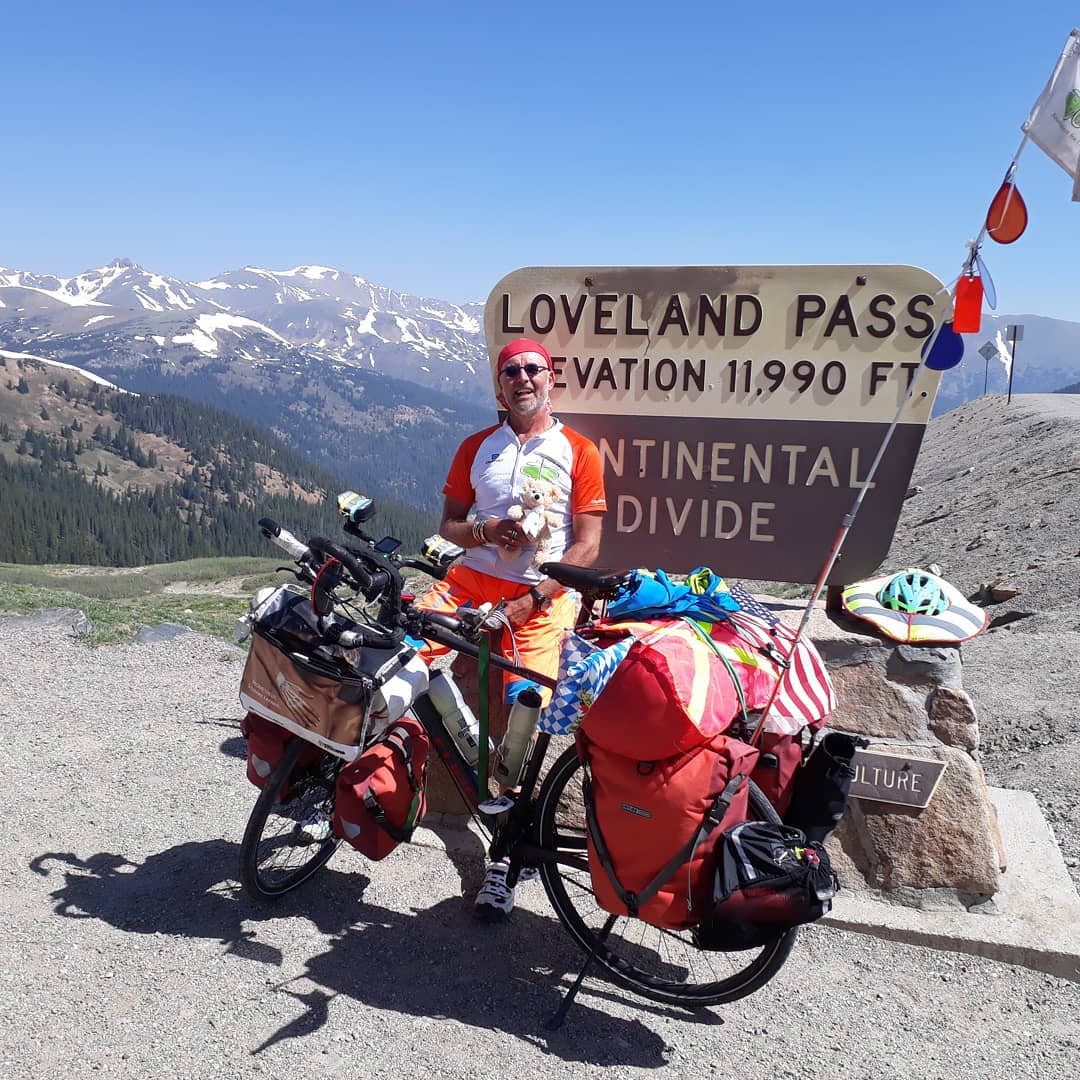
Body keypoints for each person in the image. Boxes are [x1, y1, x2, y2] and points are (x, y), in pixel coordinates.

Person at [419, 336, 607, 920]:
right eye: (511, 371)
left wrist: (540, 594)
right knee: (401, 658)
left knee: (523, 720)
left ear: (551, 379)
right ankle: (352, 793)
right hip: (469, 583)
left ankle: (502, 859)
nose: (523, 378)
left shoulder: (579, 449)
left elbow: (588, 544)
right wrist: (486, 531)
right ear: (498, 386)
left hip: (542, 598)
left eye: (533, 369)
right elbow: (449, 524)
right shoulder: (477, 446)